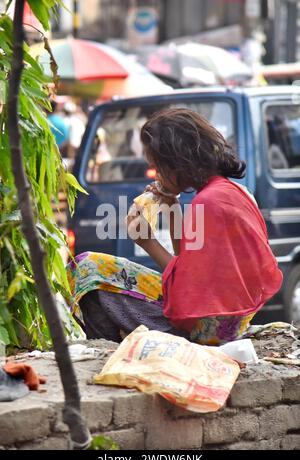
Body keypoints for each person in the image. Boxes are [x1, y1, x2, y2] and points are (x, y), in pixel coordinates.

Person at [67, 108, 283, 345]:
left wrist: (147, 242)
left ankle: (107, 349)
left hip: (207, 331)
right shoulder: (233, 191)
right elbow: (186, 262)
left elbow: (184, 292)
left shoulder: (209, 202)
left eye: (159, 167)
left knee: (86, 269)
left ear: (178, 163)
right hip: (221, 318)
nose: (156, 174)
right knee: (95, 266)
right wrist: (172, 204)